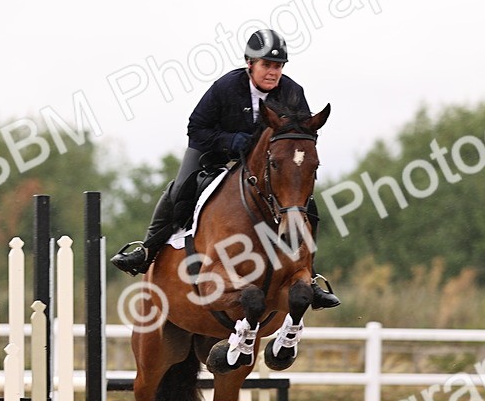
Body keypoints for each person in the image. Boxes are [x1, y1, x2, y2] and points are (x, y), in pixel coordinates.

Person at [109, 28, 340, 309]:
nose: (273, 72)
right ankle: (147, 250)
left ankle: (310, 276)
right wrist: (230, 141)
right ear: (250, 63)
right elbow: (196, 128)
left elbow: (301, 136)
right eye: (266, 65)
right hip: (214, 152)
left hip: (268, 164)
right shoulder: (226, 87)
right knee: (181, 188)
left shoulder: (292, 92)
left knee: (304, 205)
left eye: (278, 66)